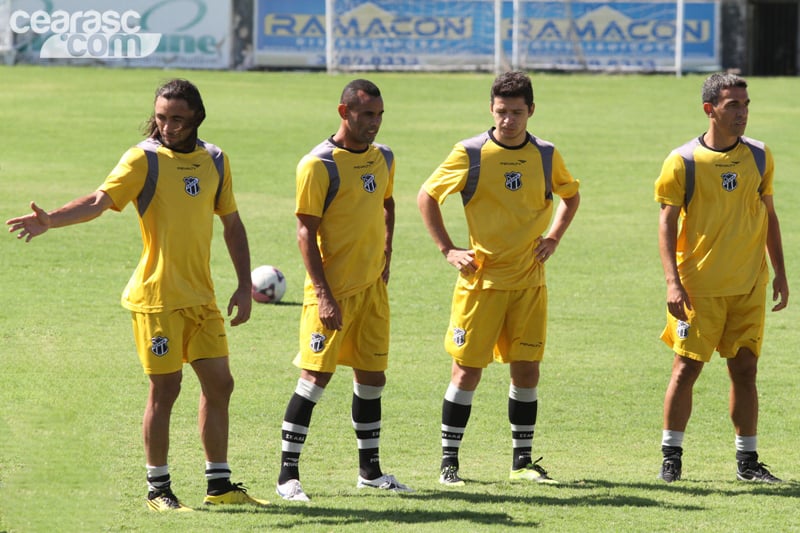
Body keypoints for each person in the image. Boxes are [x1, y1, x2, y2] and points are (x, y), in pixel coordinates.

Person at [6, 79, 269, 511]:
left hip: (202, 299)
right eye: (162, 117)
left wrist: (243, 283)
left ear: (197, 117)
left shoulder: (215, 159)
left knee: (220, 384)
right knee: (166, 391)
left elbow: (232, 223)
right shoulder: (143, 159)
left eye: (178, 119)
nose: (168, 126)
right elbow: (98, 200)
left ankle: (219, 486)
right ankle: (158, 489)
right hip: (157, 300)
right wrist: (51, 220)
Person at [417, 71, 580, 486]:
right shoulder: (471, 153)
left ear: (531, 111)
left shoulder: (545, 155)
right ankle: (449, 462)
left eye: (517, 113)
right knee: (466, 372)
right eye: (502, 112)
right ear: (491, 109)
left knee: (526, 372)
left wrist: (555, 237)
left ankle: (521, 462)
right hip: (480, 285)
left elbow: (571, 194)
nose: (509, 120)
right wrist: (448, 249)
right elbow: (427, 195)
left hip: (528, 284)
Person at [275, 79, 413, 502]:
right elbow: (305, 231)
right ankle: (287, 477)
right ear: (344, 112)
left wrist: (387, 254)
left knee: (373, 378)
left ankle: (370, 473)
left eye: (379, 115)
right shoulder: (318, 165)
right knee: (315, 377)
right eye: (366, 114)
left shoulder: (384, 157)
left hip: (372, 291)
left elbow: (387, 205)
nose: (374, 123)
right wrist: (324, 294)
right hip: (330, 293)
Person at [655, 73, 788, 484]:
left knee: (745, 371)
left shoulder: (761, 156)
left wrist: (780, 272)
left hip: (749, 286)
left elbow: (768, 214)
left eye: (746, 104)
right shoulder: (684, 161)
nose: (742, 112)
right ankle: (671, 457)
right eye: (733, 105)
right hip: (701, 289)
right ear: (710, 110)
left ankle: (748, 462)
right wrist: (672, 282)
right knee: (686, 369)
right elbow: (666, 224)